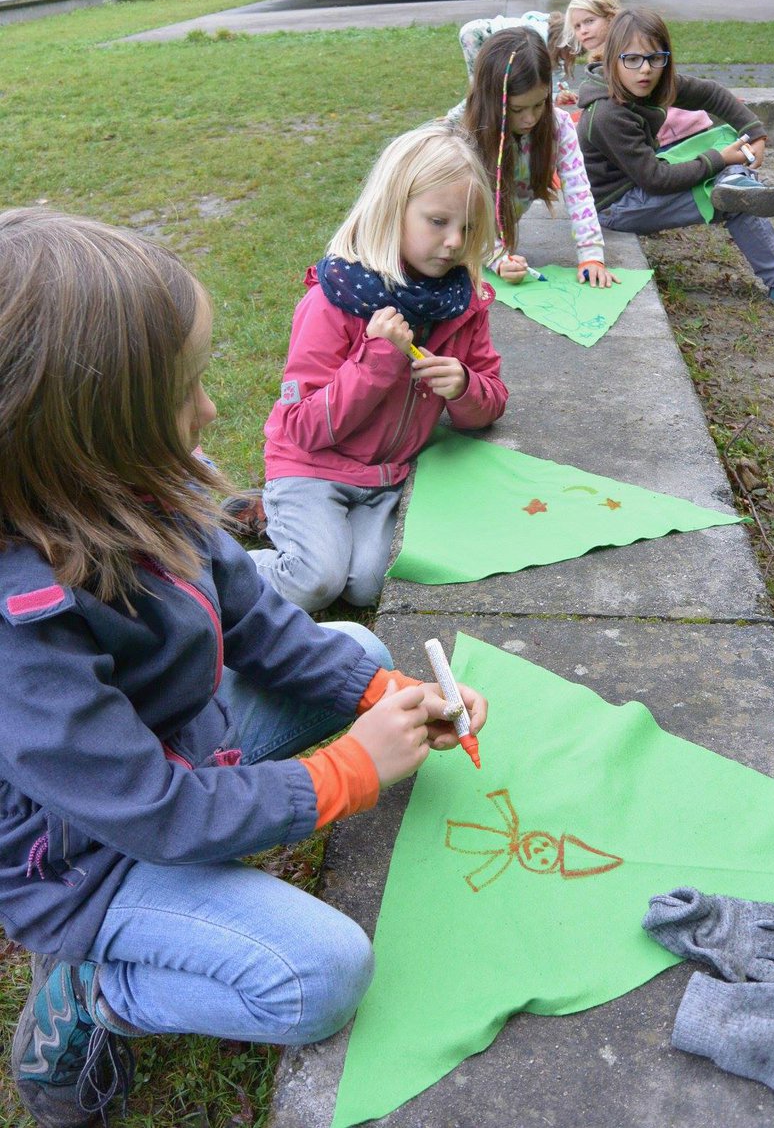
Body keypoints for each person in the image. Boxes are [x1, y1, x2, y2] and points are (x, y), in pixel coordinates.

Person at [0, 207, 488, 1128]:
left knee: (357, 653)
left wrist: (387, 698)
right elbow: (156, 812)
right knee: (319, 976)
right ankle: (97, 992)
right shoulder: (16, 626)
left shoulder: (149, 483)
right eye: (180, 391)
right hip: (90, 862)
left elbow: (257, 621)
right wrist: (347, 771)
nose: (210, 411)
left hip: (183, 752)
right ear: (80, 428)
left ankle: (350, 705)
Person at [243, 122, 509, 613]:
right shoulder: (334, 300)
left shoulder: (463, 302)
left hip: (385, 477)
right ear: (393, 211)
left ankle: (278, 524)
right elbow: (302, 428)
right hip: (312, 468)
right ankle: (213, 571)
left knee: (368, 586)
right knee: (315, 582)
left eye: (468, 228)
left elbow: (491, 397)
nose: (454, 242)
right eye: (437, 221)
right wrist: (379, 359)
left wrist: (465, 387)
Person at [576, 8, 774, 312]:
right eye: (632, 59)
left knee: (729, 136)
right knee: (733, 203)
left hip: (642, 178)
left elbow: (711, 94)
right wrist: (717, 160)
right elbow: (656, 179)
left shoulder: (650, 82)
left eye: (655, 58)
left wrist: (754, 132)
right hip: (617, 206)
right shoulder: (607, 115)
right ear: (613, 59)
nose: (645, 70)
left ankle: (736, 181)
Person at [457, 25, 618, 288]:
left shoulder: (558, 126)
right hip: (461, 233)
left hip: (497, 237)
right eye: (518, 109)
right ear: (492, 99)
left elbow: (579, 190)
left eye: (539, 103)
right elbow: (462, 213)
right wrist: (496, 256)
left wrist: (592, 256)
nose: (530, 118)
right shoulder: (465, 133)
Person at [560, 0, 712, 147]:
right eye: (577, 26)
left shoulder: (624, 54)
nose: (583, 31)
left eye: (589, 21)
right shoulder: (601, 58)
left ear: (611, 18)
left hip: (679, 132)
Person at [451, 10, 578, 109]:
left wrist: (562, 91)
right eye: (571, 54)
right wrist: (554, 95)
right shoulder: (538, 37)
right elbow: (544, 71)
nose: (569, 59)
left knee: (493, 89)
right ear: (563, 44)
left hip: (489, 38)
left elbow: (552, 68)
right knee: (482, 88)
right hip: (476, 36)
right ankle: (452, 120)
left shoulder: (550, 39)